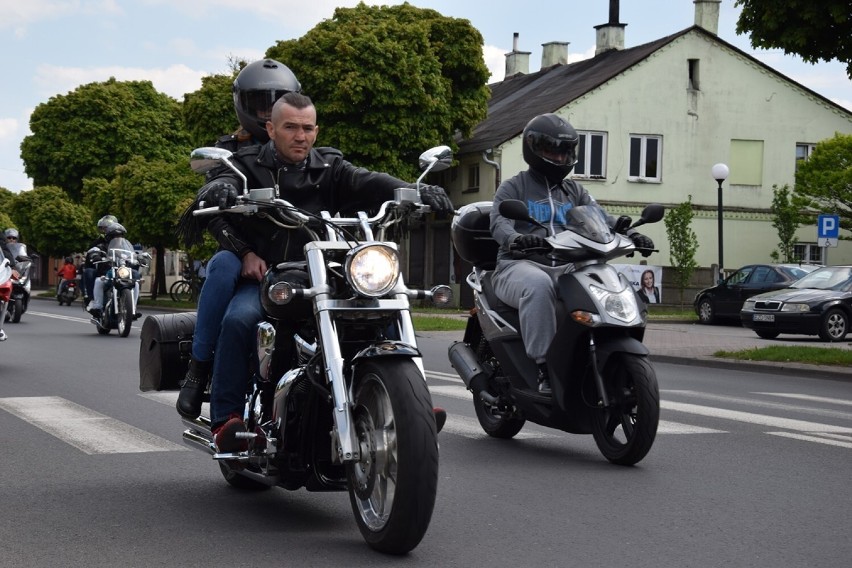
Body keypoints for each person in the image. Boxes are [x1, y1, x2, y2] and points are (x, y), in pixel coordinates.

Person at [177, 91, 453, 452]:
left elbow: (369, 181)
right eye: (290, 127)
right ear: (271, 128)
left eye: (307, 128)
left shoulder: (330, 167)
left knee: (380, 305)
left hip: (324, 271)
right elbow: (220, 184)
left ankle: (410, 402)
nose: (300, 136)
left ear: (317, 131)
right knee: (239, 319)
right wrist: (220, 189)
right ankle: (226, 419)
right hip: (267, 274)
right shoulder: (246, 164)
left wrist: (413, 189)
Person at [489, 113, 653, 395]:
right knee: (539, 287)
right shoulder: (515, 186)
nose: (561, 157)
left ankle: (602, 349)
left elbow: (601, 218)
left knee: (607, 280)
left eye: (566, 151)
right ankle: (543, 367)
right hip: (520, 265)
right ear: (534, 149)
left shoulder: (574, 190)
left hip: (567, 265)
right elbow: (498, 221)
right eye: (553, 150)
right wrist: (516, 238)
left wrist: (630, 233)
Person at [87, 222, 142, 319]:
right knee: (99, 281)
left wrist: (139, 257)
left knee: (136, 283)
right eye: (114, 236)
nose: (117, 238)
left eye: (120, 236)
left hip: (122, 271)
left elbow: (133, 255)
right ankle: (97, 307)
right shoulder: (102, 246)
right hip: (107, 272)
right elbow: (94, 250)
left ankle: (132, 309)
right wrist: (95, 255)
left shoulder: (126, 248)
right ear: (108, 237)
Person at [82, 214, 118, 305]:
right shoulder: (97, 243)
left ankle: (132, 307)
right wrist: (95, 256)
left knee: (135, 275)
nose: (105, 231)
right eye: (103, 228)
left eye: (107, 228)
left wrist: (136, 257)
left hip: (120, 270)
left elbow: (129, 252)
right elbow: (90, 256)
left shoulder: (121, 242)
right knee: (89, 272)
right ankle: (92, 299)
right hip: (102, 270)